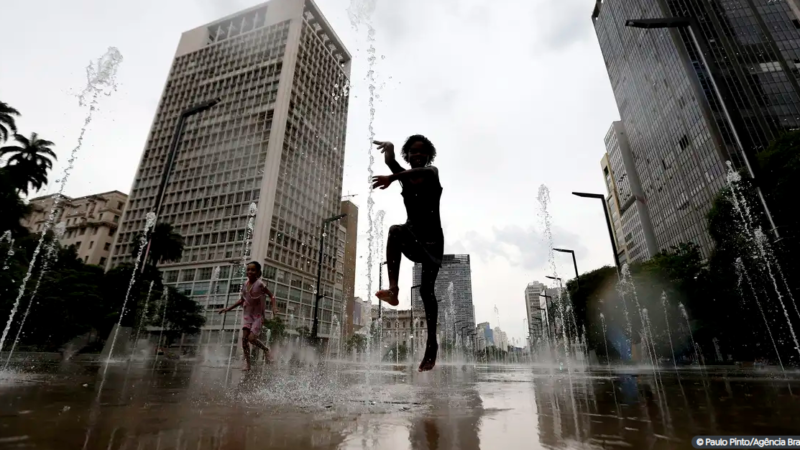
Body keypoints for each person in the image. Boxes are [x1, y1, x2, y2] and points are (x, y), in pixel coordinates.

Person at [372, 135, 443, 372]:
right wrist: (390, 150)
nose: (417, 156)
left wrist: (392, 177)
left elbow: (405, 174)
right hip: (412, 234)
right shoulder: (406, 177)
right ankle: (393, 290)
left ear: (428, 155)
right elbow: (392, 163)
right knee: (394, 231)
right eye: (413, 152)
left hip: (432, 239)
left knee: (426, 290)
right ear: (408, 154)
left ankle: (431, 345)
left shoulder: (432, 172)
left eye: (422, 152)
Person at [219, 261, 277, 371]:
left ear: (258, 272)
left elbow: (272, 296)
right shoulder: (245, 285)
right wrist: (228, 309)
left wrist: (274, 307)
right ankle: (248, 364)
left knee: (251, 338)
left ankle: (265, 349)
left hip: (258, 316)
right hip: (248, 314)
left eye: (253, 270)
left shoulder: (260, 284)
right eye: (248, 269)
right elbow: (242, 300)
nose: (250, 271)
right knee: (244, 340)